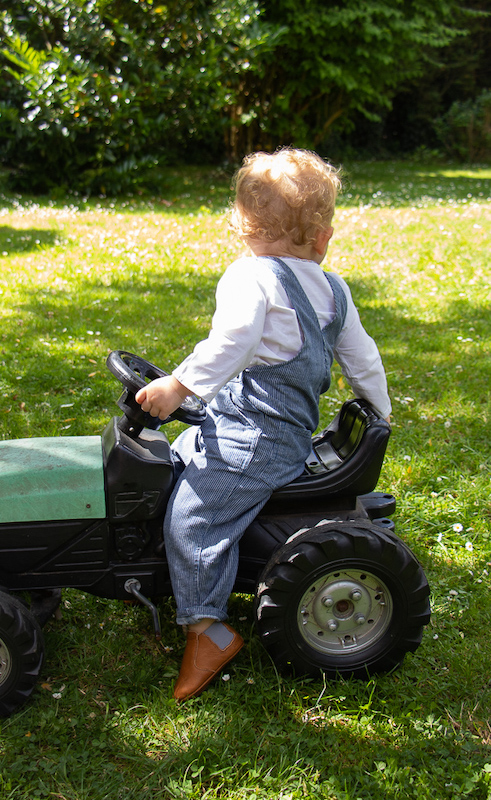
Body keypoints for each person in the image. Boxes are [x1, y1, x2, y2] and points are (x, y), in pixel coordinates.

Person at [135, 148, 391, 701]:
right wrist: (380, 409)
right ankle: (164, 572)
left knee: (194, 518)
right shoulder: (333, 289)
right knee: (177, 452)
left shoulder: (251, 278)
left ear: (241, 225)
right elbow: (363, 359)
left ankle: (207, 629)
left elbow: (231, 344)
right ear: (321, 236)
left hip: (254, 442)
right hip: (272, 431)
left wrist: (178, 386)